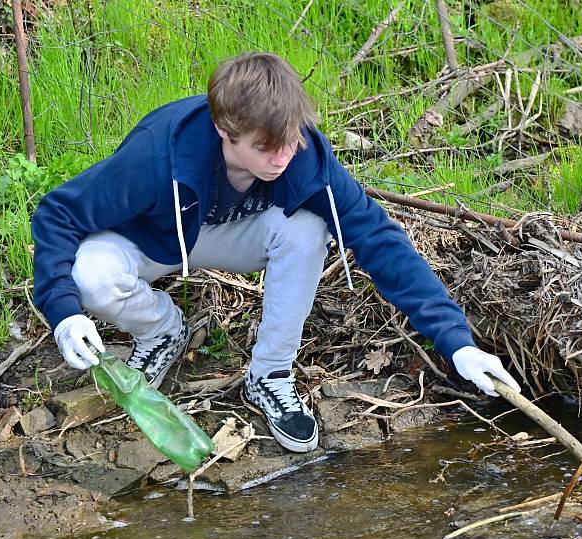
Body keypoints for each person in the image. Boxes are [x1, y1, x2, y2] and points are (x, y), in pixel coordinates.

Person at [31, 52, 521, 453]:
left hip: (232, 237)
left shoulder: (303, 153)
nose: (281, 159)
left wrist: (457, 342)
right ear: (225, 128)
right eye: (266, 148)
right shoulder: (157, 156)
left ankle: (269, 375)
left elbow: (380, 239)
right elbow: (57, 214)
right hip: (153, 238)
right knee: (91, 276)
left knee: (309, 230)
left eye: (287, 143)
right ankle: (161, 328)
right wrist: (64, 314)